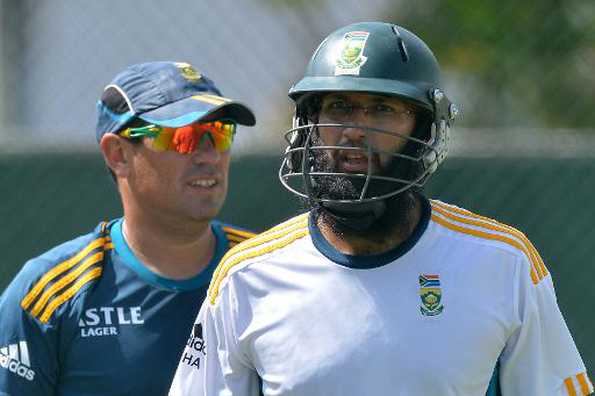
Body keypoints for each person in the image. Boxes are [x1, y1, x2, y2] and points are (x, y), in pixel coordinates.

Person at [169, 22, 593, 396]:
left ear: (426, 131)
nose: (355, 129)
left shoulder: (503, 262)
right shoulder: (246, 277)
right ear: (308, 126)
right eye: (339, 108)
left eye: (383, 109)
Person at [0, 61, 257, 395]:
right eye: (183, 137)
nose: (209, 155)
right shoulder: (47, 295)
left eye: (221, 133)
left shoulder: (269, 272)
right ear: (118, 154)